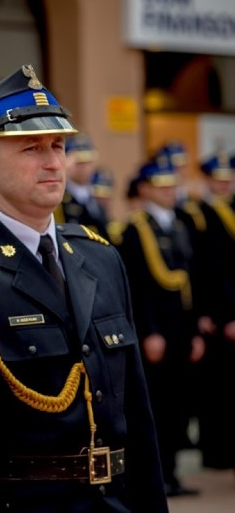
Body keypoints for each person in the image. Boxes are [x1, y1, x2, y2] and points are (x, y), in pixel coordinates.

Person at [0, 64, 168, 512]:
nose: (52, 161)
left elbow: (138, 419)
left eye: (58, 145)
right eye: (30, 148)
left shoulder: (99, 258)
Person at [116, 158, 204, 497]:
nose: (170, 192)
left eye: (172, 186)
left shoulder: (179, 225)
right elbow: (137, 288)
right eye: (162, 187)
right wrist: (149, 330)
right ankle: (157, 476)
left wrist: (194, 330)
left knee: (180, 404)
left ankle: (173, 473)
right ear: (147, 189)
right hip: (156, 332)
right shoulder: (136, 229)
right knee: (158, 406)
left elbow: (191, 281)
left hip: (181, 329)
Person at [182, 152, 234, 471]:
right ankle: (216, 452)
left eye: (228, 177)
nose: (224, 182)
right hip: (216, 316)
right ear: (207, 179)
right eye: (219, 177)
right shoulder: (198, 214)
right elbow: (201, 270)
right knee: (215, 389)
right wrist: (219, 315)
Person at [55, 133, 110, 238]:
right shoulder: (60, 197)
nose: (84, 168)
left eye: (88, 162)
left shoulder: (94, 197)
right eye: (79, 162)